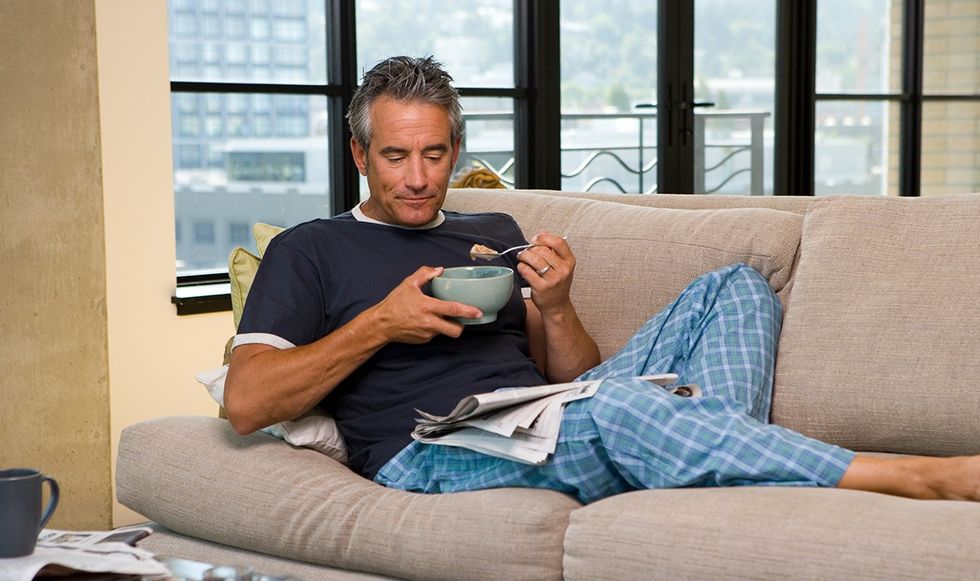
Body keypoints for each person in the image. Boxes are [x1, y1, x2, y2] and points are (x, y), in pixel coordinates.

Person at [225, 55, 980, 504]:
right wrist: (379, 324)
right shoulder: (312, 248)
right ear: (360, 155)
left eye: (434, 153)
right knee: (623, 410)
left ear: (457, 147)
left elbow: (569, 375)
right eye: (395, 156)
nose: (419, 178)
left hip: (543, 414)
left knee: (737, 286)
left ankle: (693, 452)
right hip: (429, 448)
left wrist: (554, 306)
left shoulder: (490, 232)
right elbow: (247, 401)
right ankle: (914, 477)